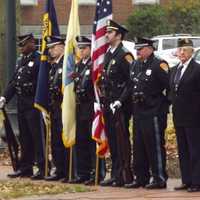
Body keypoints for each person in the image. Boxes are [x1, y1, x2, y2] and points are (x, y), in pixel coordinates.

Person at [125, 37, 169, 189]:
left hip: (153, 112)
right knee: (139, 145)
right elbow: (131, 85)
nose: (137, 51)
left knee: (154, 145)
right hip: (138, 110)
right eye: (136, 48)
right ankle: (141, 177)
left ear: (150, 48)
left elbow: (168, 88)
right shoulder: (136, 64)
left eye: (141, 48)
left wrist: (161, 106)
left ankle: (159, 178)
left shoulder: (159, 64)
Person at [0, 33, 45, 179]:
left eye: (24, 45)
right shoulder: (21, 60)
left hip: (33, 104)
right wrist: (4, 97)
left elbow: (41, 83)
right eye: (20, 45)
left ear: (32, 43)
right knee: (25, 137)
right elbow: (14, 82)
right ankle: (25, 167)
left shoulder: (39, 60)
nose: (21, 48)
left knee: (37, 137)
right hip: (21, 104)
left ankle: (43, 167)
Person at [99, 20, 134, 187]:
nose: (107, 35)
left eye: (110, 32)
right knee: (112, 139)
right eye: (107, 32)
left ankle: (124, 174)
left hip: (120, 106)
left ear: (119, 35)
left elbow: (130, 82)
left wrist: (120, 100)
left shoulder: (124, 55)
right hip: (108, 103)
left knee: (121, 139)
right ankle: (115, 173)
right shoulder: (108, 54)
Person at [69, 36, 105, 185]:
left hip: (91, 108)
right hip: (80, 108)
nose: (81, 51)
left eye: (84, 48)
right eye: (80, 48)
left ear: (91, 49)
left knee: (92, 142)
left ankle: (96, 173)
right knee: (81, 142)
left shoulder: (93, 66)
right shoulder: (78, 66)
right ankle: (83, 173)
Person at [170, 38, 200, 192]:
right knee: (183, 150)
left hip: (194, 117)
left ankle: (197, 181)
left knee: (195, 150)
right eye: (180, 50)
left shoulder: (197, 69)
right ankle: (186, 180)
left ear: (192, 52)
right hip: (179, 116)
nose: (181, 53)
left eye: (185, 50)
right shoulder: (174, 70)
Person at [43, 36, 69, 181]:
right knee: (56, 141)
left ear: (62, 46)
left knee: (63, 139)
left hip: (64, 108)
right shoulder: (54, 66)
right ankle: (59, 170)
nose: (51, 50)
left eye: (53, 47)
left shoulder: (66, 64)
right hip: (55, 108)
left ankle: (66, 170)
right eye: (50, 48)